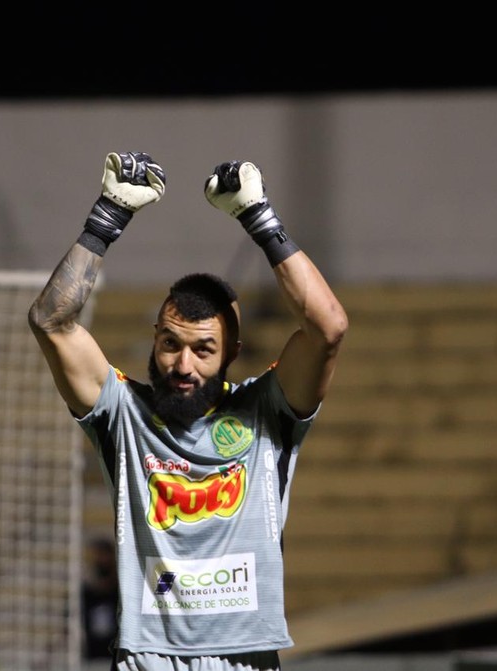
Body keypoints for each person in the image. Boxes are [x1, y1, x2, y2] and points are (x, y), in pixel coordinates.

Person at [29, 152, 348, 670]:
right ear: (155, 340)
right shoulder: (122, 412)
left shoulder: (268, 410)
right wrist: (107, 217)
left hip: (242, 656)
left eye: (202, 349)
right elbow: (51, 321)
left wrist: (259, 218)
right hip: (147, 658)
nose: (182, 364)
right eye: (170, 344)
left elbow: (328, 327)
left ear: (231, 351)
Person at [81, 536, 120, 660]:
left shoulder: (120, 592)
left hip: (116, 652)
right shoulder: (86, 593)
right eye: (98, 556)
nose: (101, 560)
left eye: (104, 555)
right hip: (93, 653)